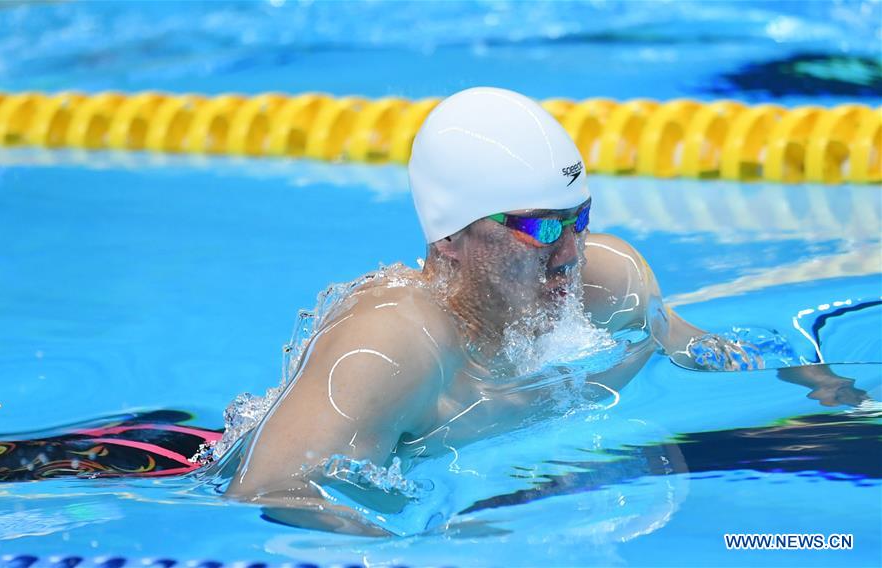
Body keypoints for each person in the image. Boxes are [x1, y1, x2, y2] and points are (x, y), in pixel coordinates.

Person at [224, 87, 866, 534]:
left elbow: (707, 352)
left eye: (578, 218)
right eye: (537, 227)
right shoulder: (391, 343)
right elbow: (272, 492)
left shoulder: (610, 285)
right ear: (449, 238)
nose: (569, 252)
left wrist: (830, 391)